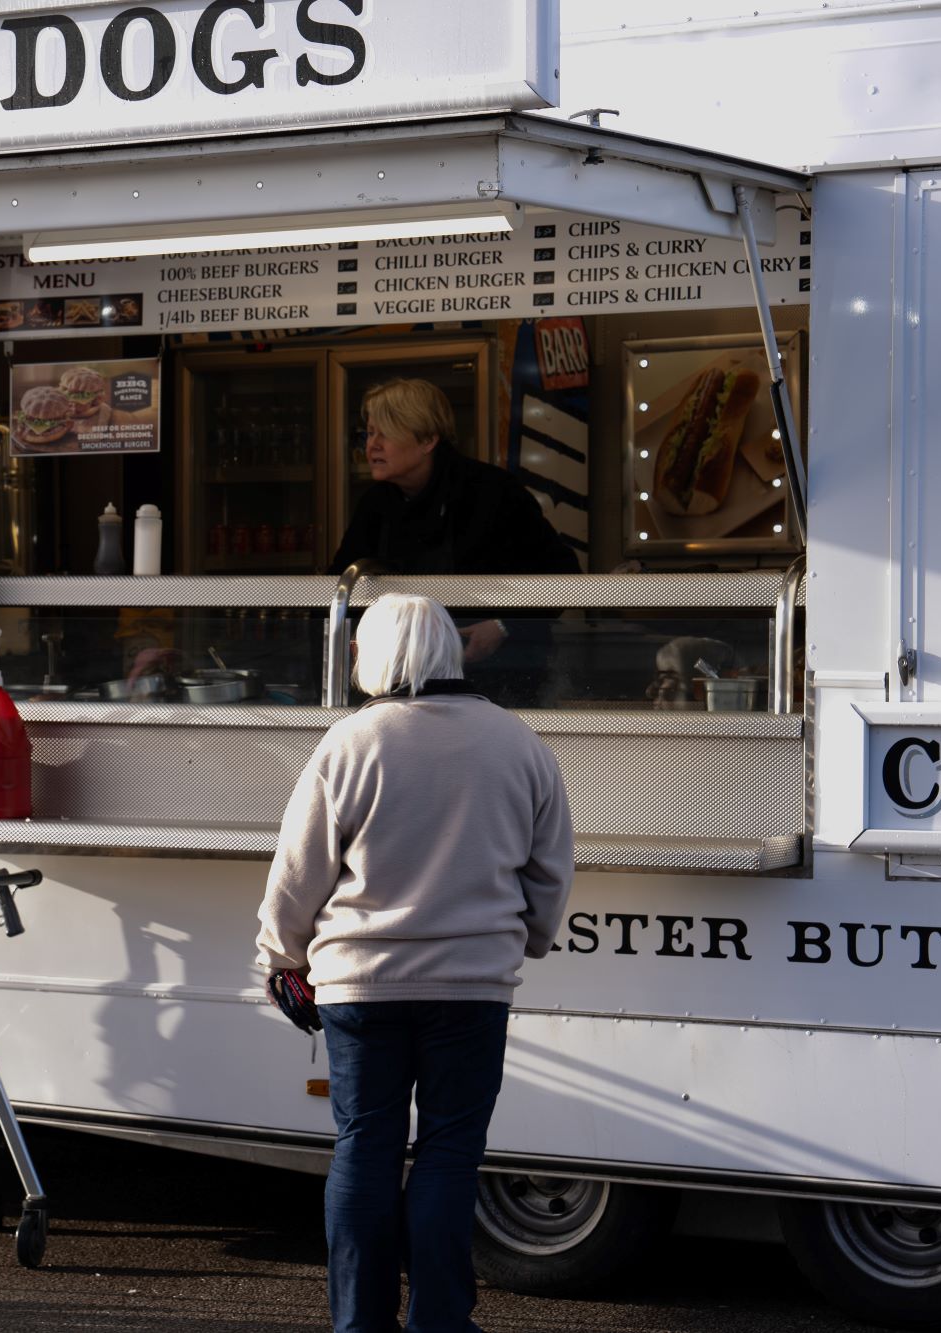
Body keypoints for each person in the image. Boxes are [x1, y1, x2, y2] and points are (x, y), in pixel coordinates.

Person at [255, 594, 574, 1333]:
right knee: (449, 1152)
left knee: (365, 1146)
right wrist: (526, 937)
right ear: (448, 649)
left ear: (380, 654)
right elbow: (550, 868)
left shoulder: (350, 743)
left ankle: (360, 1322)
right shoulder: (518, 743)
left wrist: (281, 956)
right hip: (472, 988)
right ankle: (440, 1320)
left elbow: (298, 871)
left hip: (359, 987)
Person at [329, 378, 578, 670]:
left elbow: (563, 574)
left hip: (501, 680)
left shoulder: (494, 493)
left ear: (428, 441)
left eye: (386, 433)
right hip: (405, 676)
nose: (373, 446)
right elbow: (337, 585)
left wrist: (503, 626)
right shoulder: (375, 504)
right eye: (370, 433)